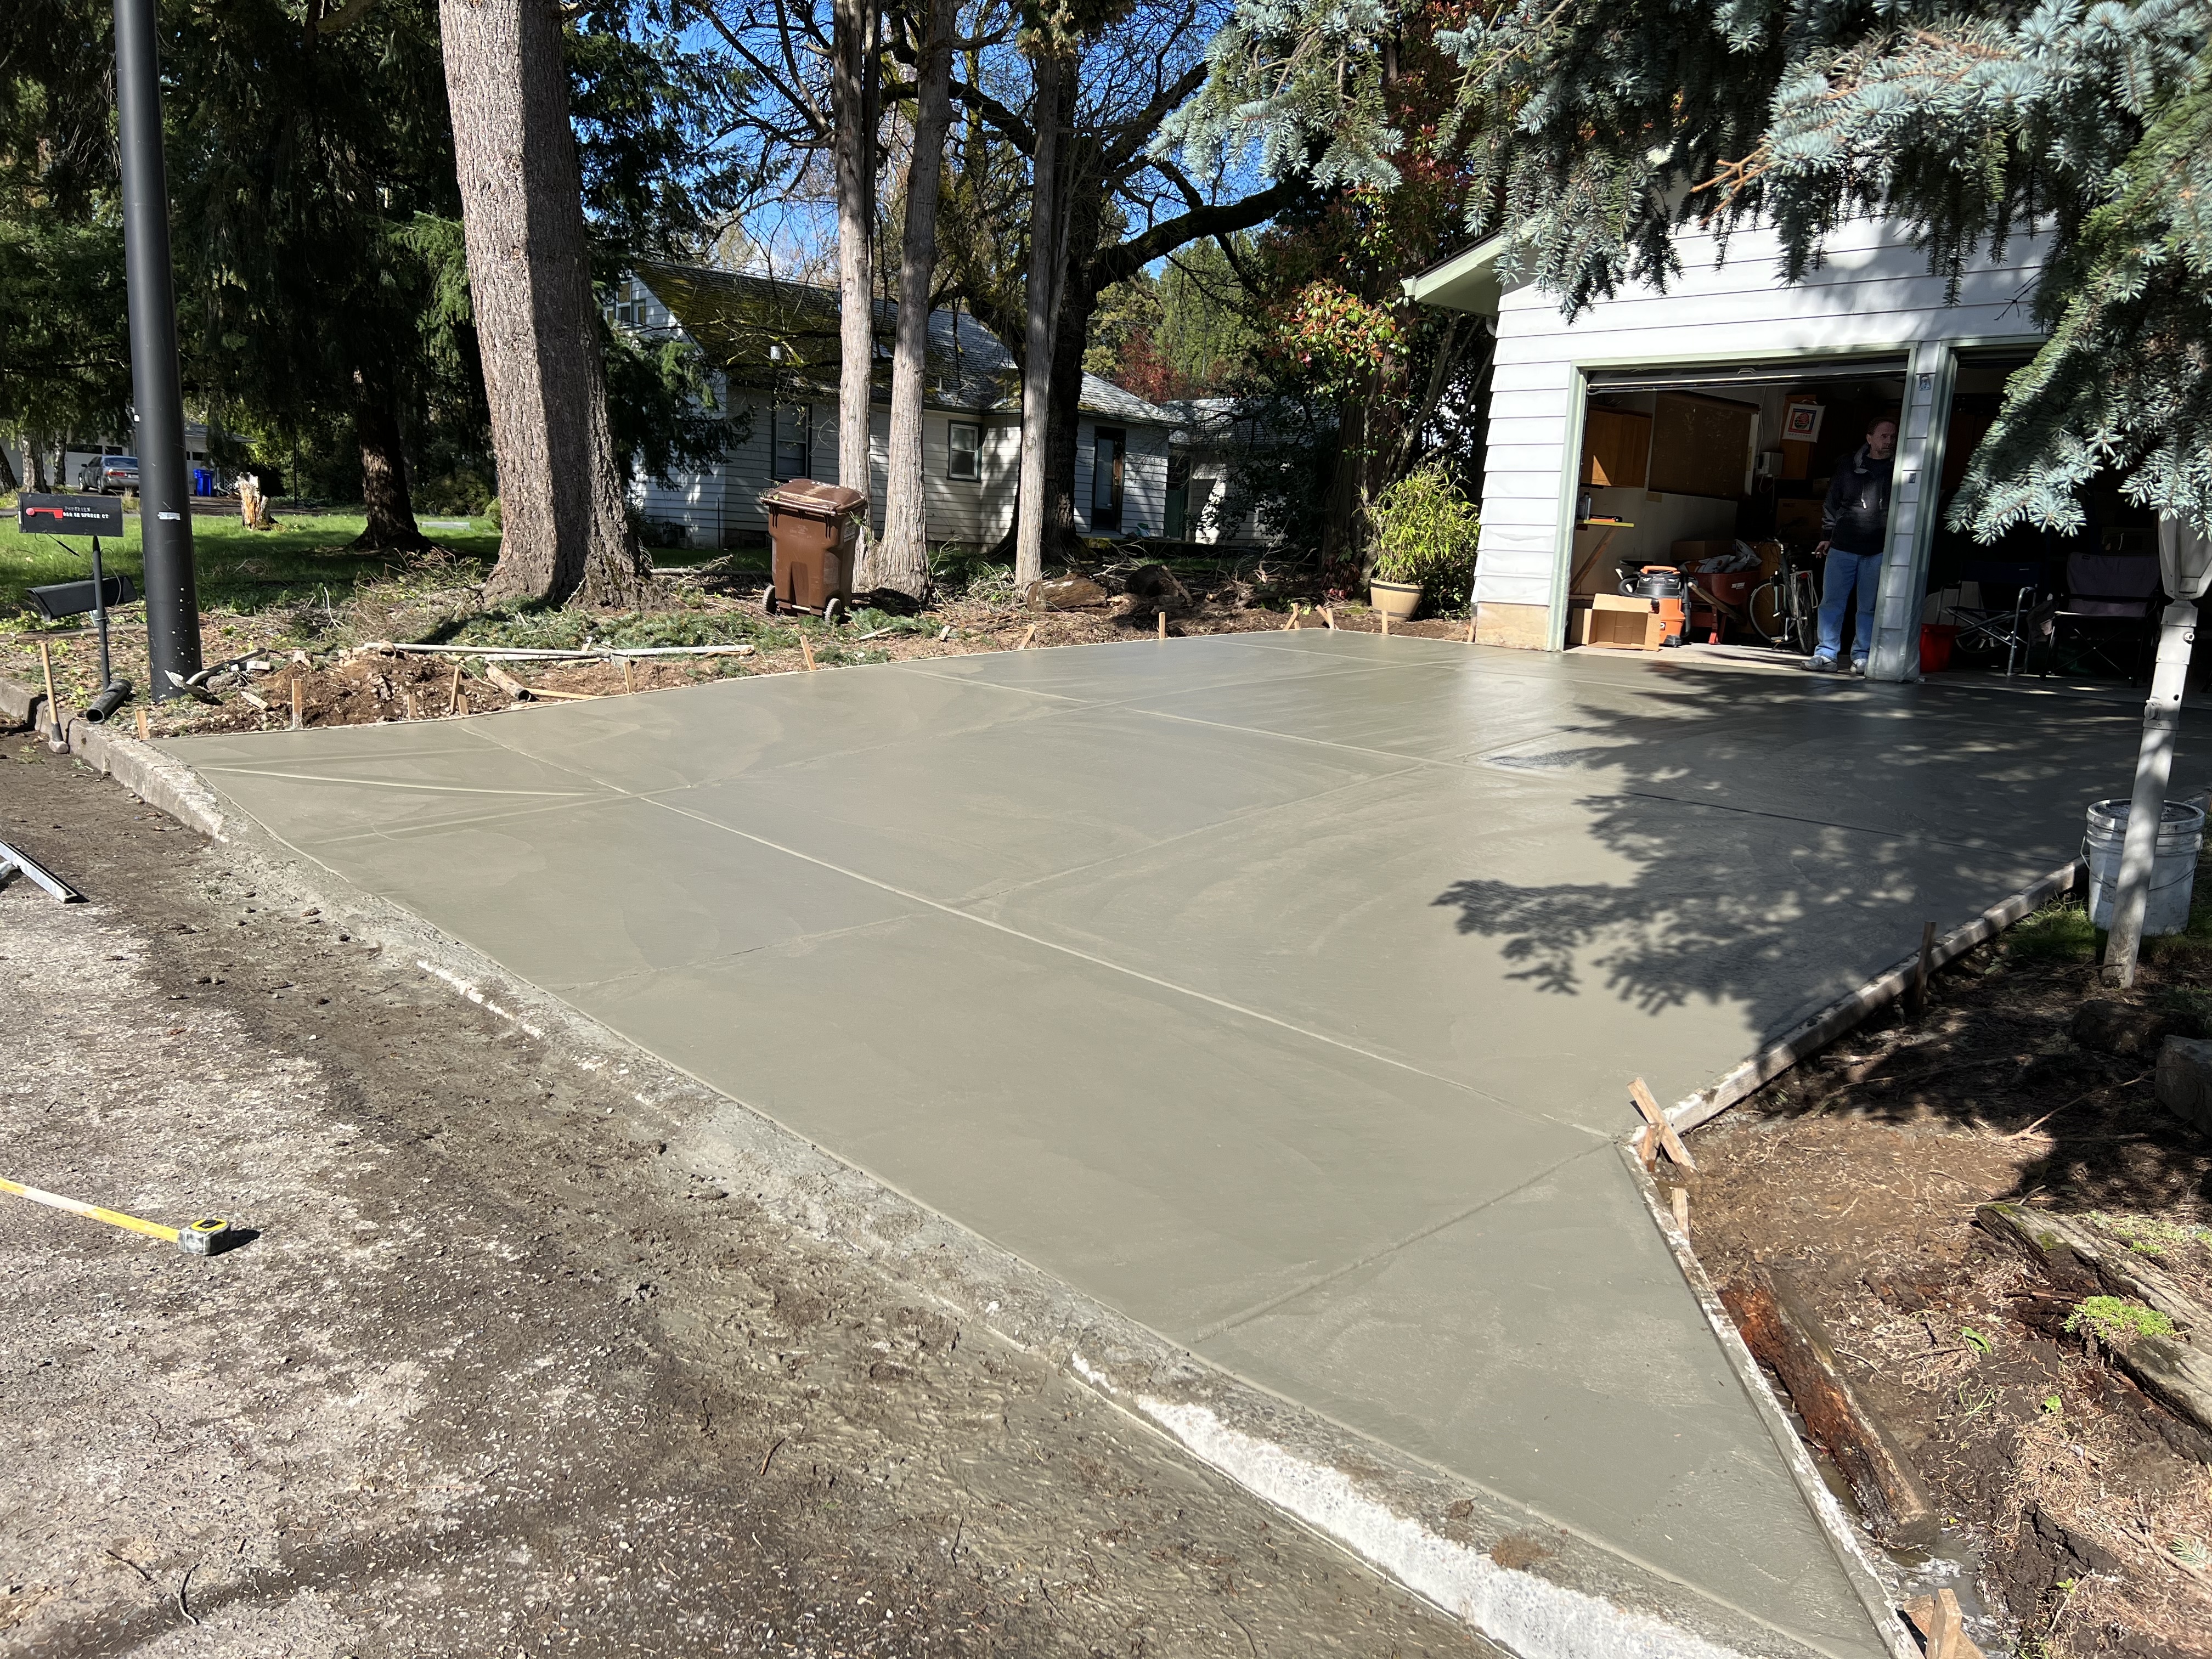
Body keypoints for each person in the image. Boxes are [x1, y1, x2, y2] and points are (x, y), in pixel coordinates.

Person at [1807, 414, 1898, 674]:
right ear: (1869, 439)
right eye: (1884, 436)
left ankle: (1862, 657)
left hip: (1879, 549)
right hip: (1843, 546)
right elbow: (1832, 502)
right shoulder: (1848, 466)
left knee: (1868, 606)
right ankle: (1826, 655)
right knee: (1832, 603)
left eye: (1893, 436)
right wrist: (1826, 536)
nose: (1889, 441)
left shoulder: (1900, 468)